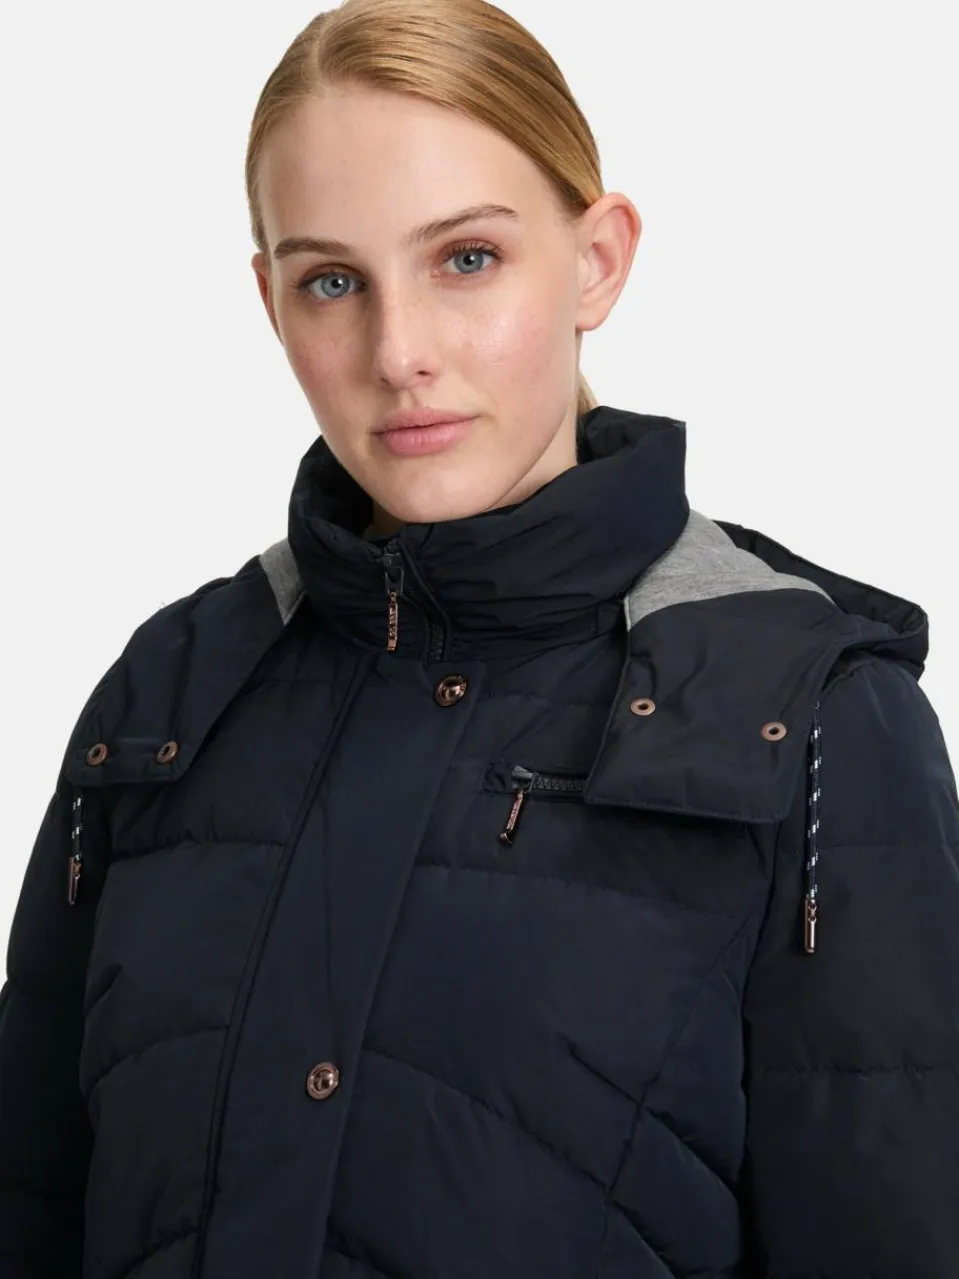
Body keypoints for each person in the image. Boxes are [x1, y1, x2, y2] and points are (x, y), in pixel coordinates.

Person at [2, 0, 957, 1274]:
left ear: (597, 261)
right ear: (270, 301)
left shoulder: (809, 716)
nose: (398, 353)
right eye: (331, 281)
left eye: (464, 259)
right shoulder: (167, 697)